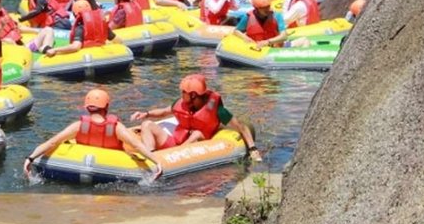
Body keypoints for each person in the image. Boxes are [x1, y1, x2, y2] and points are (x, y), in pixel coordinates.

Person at [23, 89, 162, 177]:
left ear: (87, 108)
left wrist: (30, 159)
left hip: (78, 163)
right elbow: (137, 146)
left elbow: (52, 142)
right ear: (107, 106)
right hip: (113, 165)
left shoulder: (78, 126)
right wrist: (157, 162)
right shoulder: (116, 128)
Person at [130, 74, 259, 161]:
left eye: (183, 92)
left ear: (193, 95)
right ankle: (151, 156)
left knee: (197, 133)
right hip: (176, 142)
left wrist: (252, 148)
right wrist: (146, 114)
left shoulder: (217, 110)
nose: (181, 94)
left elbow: (240, 126)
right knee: (147, 124)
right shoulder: (182, 103)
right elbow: (164, 112)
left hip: (197, 143)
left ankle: (170, 156)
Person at [45, 0, 116, 57]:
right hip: (102, 55)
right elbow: (117, 40)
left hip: (88, 57)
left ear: (75, 14)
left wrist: (55, 50)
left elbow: (75, 47)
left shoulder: (80, 28)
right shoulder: (102, 25)